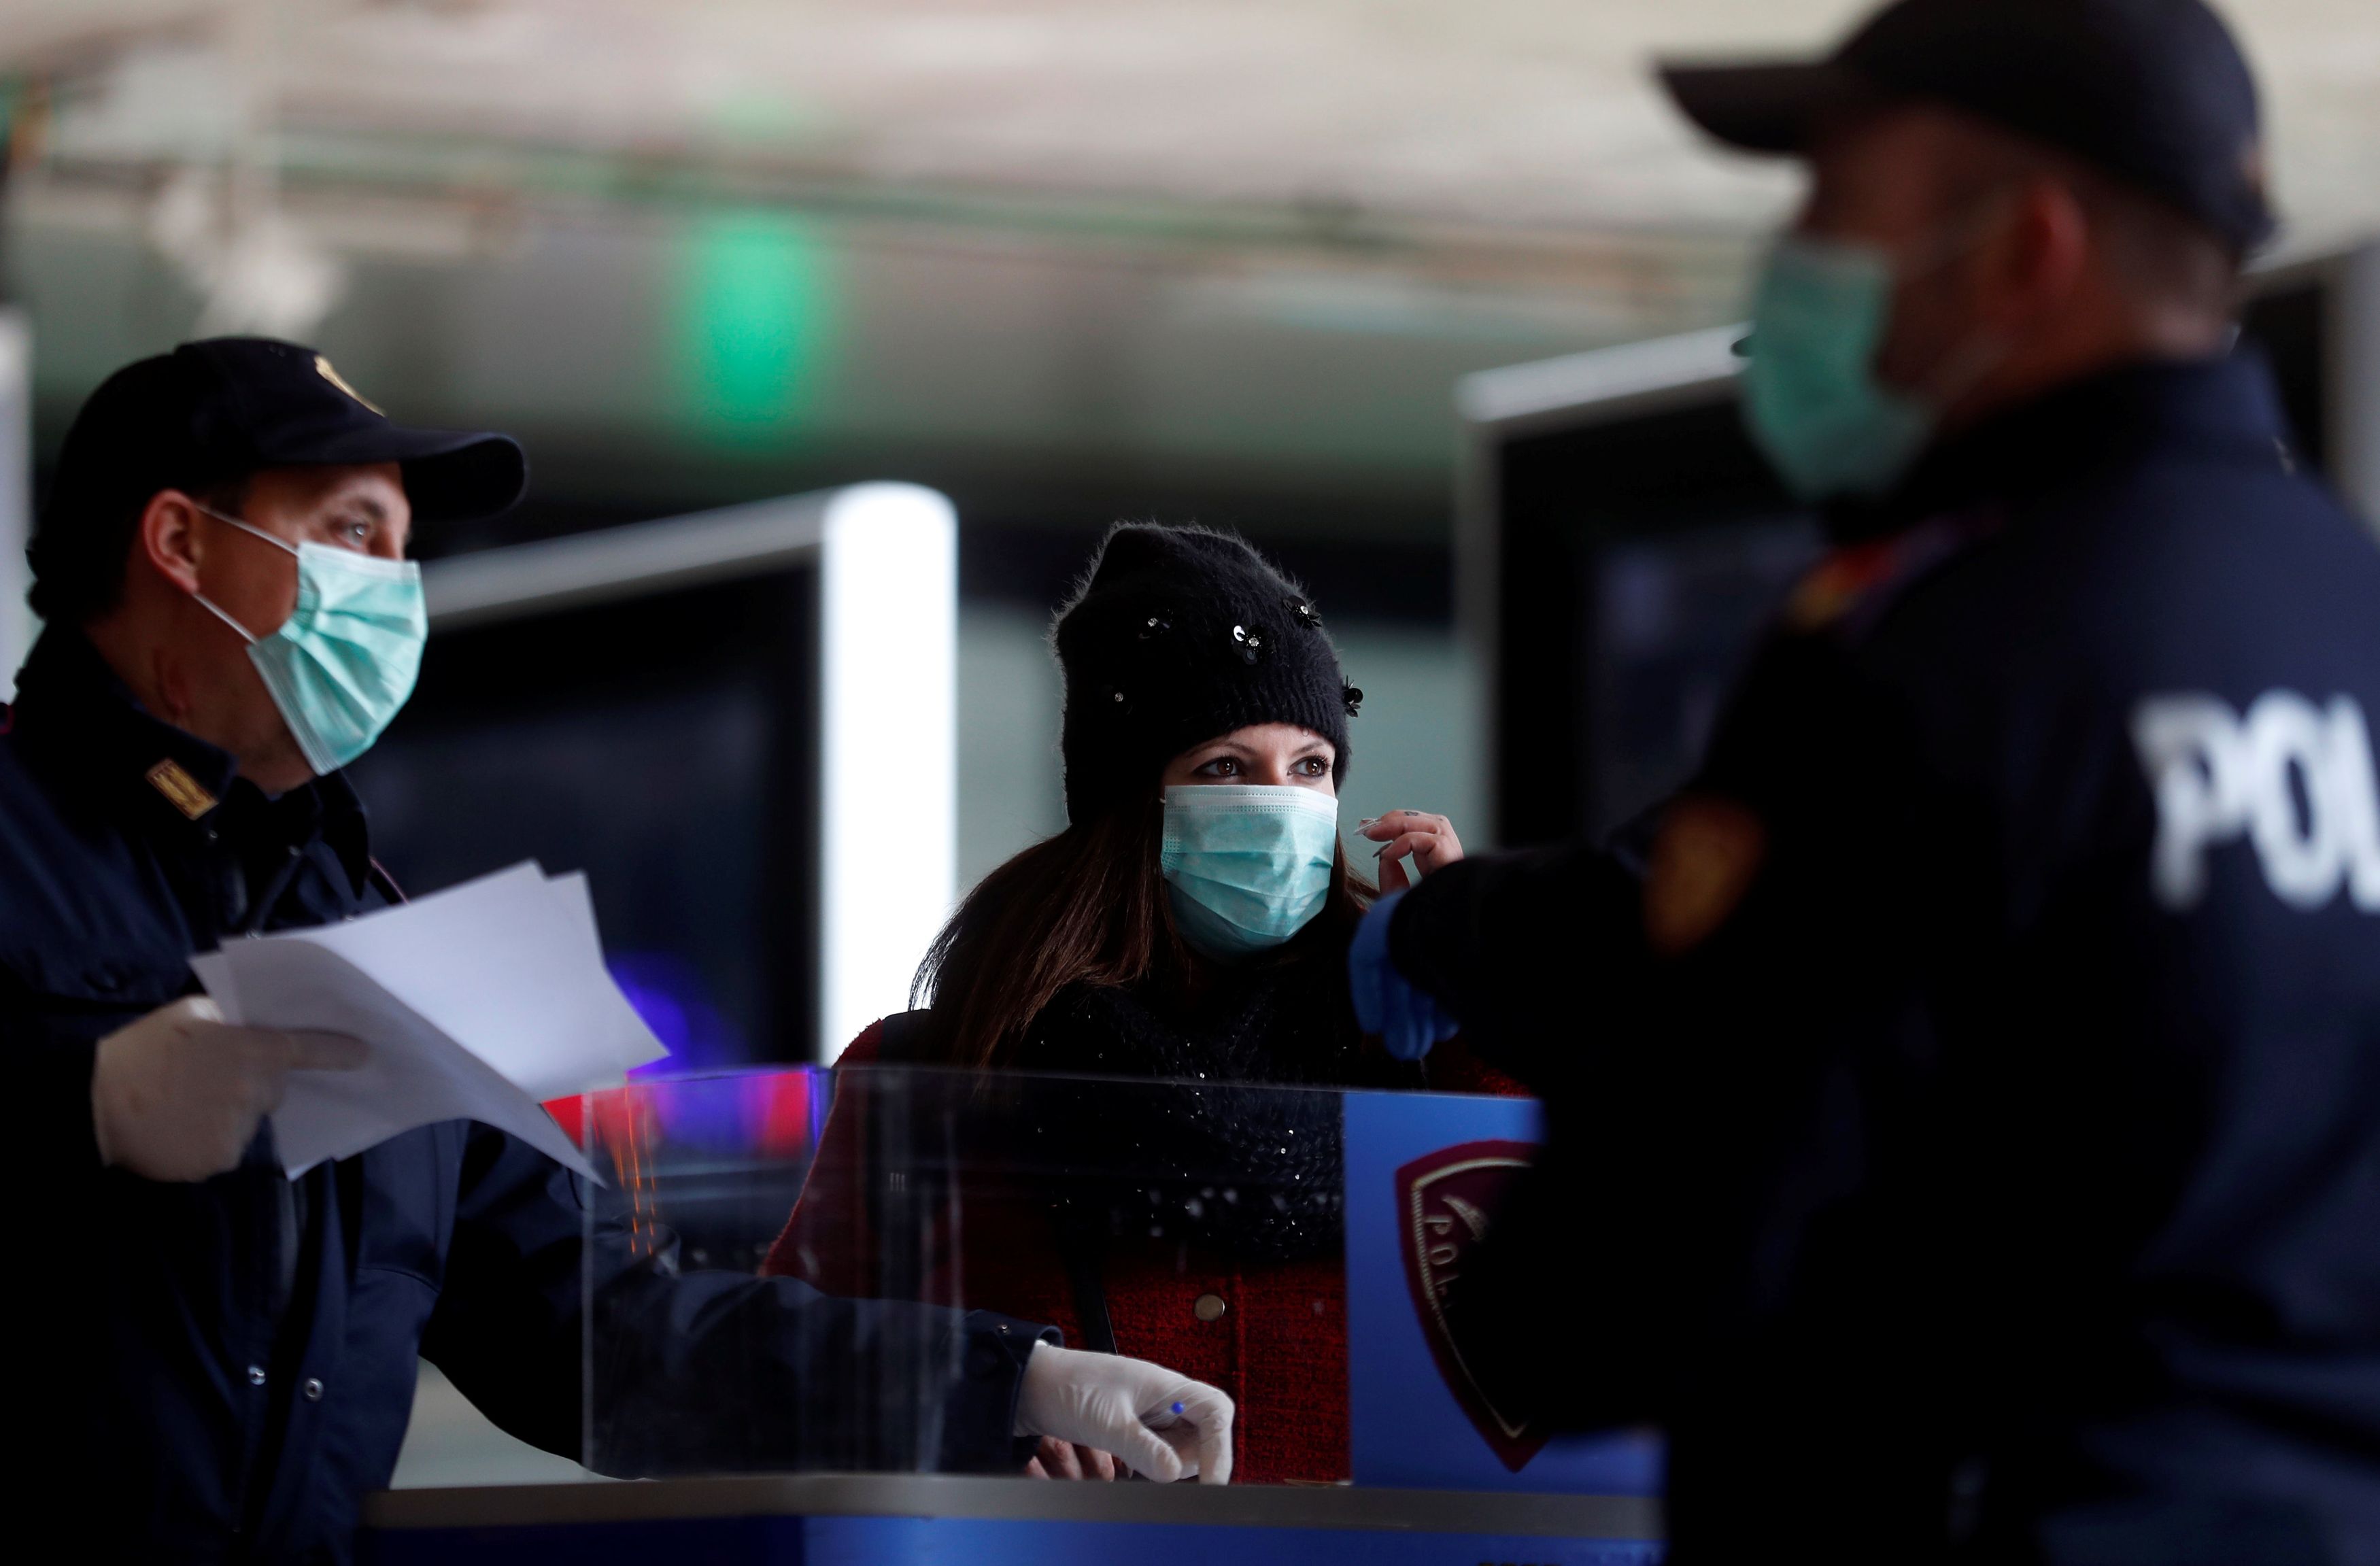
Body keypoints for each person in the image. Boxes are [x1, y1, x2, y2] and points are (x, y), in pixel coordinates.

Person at [1351, 0, 2380, 1559]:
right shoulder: (2346, 614)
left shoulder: (1932, 651)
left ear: (2026, 250)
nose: (1800, 262)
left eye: (1834, 208)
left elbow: (1616, 1279)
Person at [2, 340, 1230, 1564]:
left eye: (402, 549)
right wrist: (85, 1103)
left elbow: (604, 1332)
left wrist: (1007, 1384)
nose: (396, 588)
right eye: (355, 535)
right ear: (180, 543)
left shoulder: (357, 929)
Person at [764, 524, 1515, 1484]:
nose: (1282, 806)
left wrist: (1477, 992)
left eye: (1313, 767)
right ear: (1130, 801)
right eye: (1225, 769)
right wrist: (982, 1434)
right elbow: (782, 1382)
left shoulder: (1408, 1060)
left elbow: (1578, 1312)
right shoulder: (938, 1078)